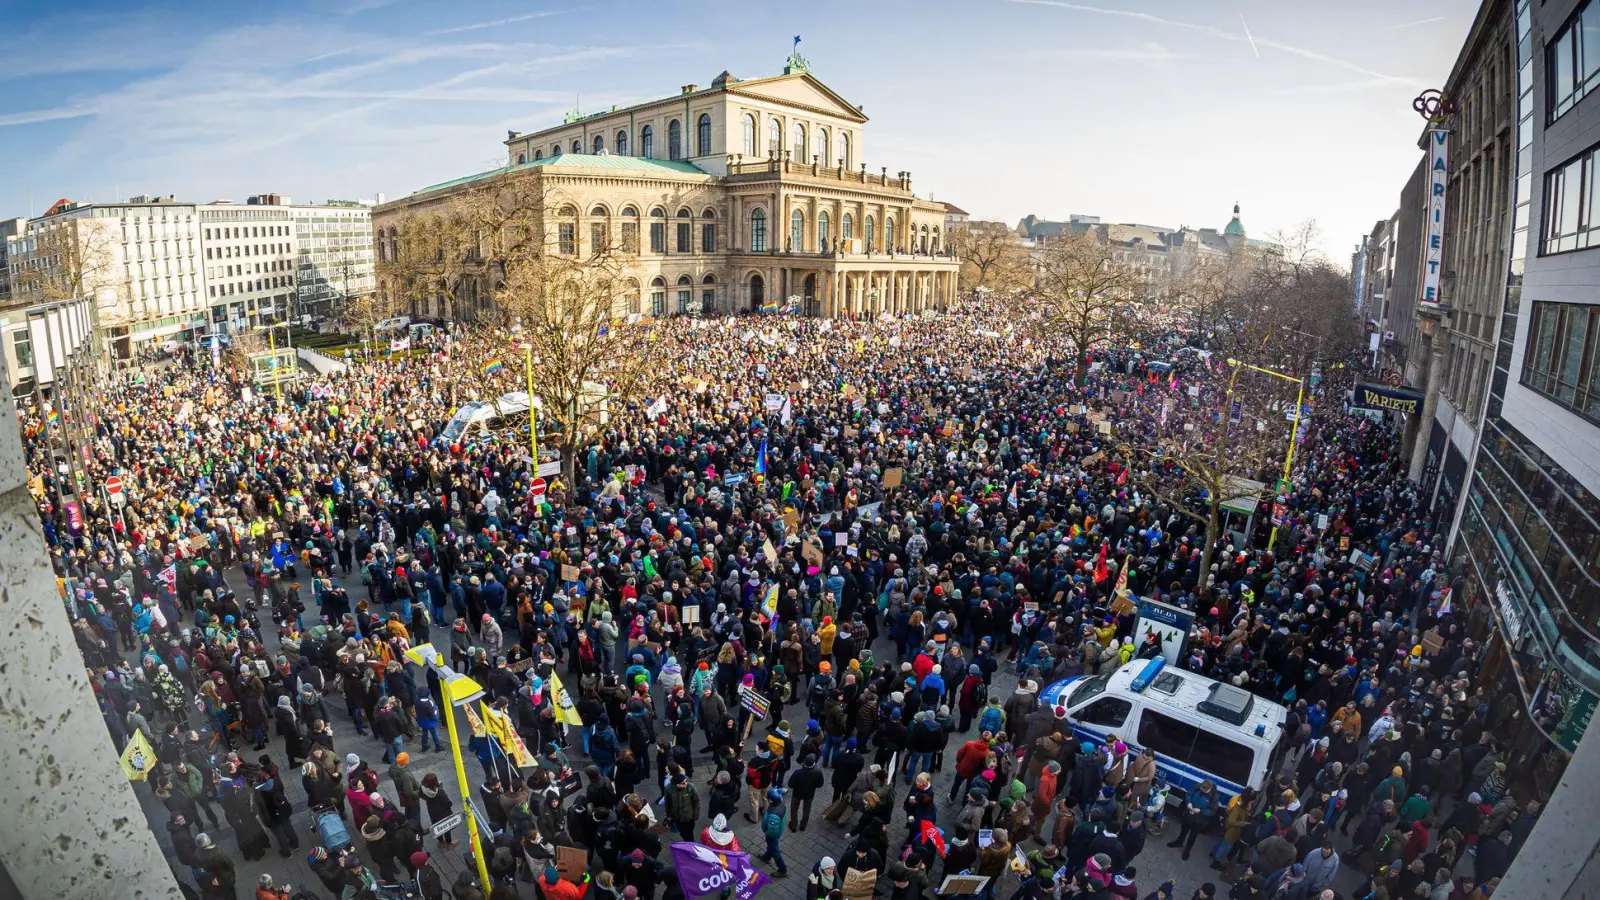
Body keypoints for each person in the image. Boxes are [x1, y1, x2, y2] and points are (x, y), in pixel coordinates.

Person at [1167, 779, 1216, 860]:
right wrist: (1189, 802)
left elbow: (1213, 811)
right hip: (1189, 814)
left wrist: (1201, 811)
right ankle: (1179, 842)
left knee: (1193, 836)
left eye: (1205, 790)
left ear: (1210, 788)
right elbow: (1189, 794)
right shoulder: (1198, 786)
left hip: (1199, 819)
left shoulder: (1214, 796)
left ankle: (1187, 850)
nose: (1203, 791)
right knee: (1183, 829)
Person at [760, 788, 790, 877]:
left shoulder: (773, 814)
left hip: (772, 835)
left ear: (771, 800)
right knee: (771, 846)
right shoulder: (781, 803)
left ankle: (782, 870)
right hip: (777, 831)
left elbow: (772, 831)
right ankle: (766, 857)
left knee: (775, 851)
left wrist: (766, 832)